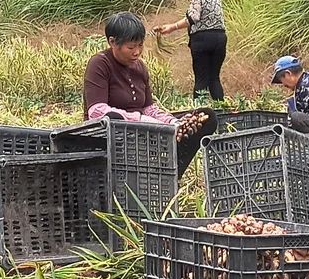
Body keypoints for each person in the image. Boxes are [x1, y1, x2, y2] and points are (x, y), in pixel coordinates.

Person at [83, 12, 218, 176]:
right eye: (131, 47)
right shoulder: (100, 63)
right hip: (114, 136)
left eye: (140, 45)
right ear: (112, 42)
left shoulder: (140, 67)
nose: (137, 52)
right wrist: (140, 121)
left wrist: (172, 122)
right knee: (113, 119)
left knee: (206, 117)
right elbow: (96, 111)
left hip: (145, 132)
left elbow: (149, 108)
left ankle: (172, 170)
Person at [153, 0, 227, 101]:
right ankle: (221, 107)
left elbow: (193, 18)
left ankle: (199, 109)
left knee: (201, 79)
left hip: (202, 40)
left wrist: (173, 27)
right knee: (214, 78)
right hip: (220, 38)